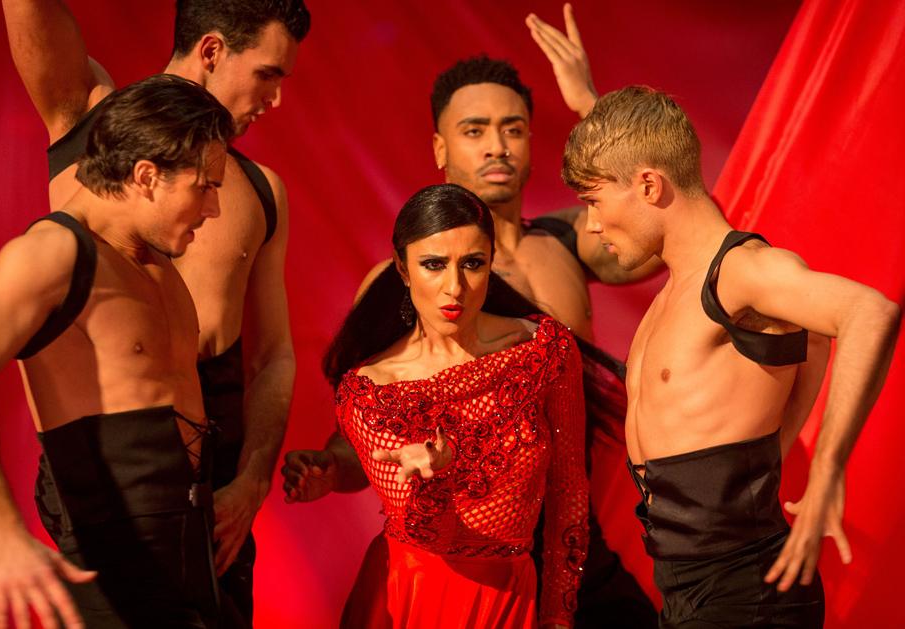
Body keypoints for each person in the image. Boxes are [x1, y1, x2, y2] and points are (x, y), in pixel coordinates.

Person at [284, 8, 659, 626]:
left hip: (571, 537)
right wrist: (332, 470)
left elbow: (681, 220)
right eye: (475, 129)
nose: (496, 145)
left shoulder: (574, 241)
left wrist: (593, 108)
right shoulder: (398, 283)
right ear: (440, 147)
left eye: (513, 128)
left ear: (533, 142)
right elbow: (370, 432)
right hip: (456, 556)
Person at [1, 0, 310, 620]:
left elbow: (273, 356)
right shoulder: (91, 116)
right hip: (101, 477)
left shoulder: (260, 190)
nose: (276, 100)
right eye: (269, 75)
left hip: (213, 492)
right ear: (214, 51)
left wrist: (252, 483)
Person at [562, 85, 900, 627]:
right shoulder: (679, 289)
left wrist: (827, 471)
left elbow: (869, 312)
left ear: (648, 184)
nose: (592, 224)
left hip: (747, 593)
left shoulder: (741, 271)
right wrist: (590, 103)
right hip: (685, 590)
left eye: (594, 201)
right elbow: (812, 341)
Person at [0, 74, 236, 627]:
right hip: (108, 585)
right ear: (147, 176)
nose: (213, 209)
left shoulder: (158, 264)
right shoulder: (53, 253)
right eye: (205, 186)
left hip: (196, 569)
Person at [320, 183, 588, 628]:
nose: (455, 287)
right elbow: (427, 535)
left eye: (472, 264)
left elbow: (570, 489)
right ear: (403, 270)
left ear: (491, 263)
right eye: (433, 265)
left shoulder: (543, 349)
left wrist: (558, 613)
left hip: (513, 599)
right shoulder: (369, 391)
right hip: (411, 598)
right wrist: (434, 479)